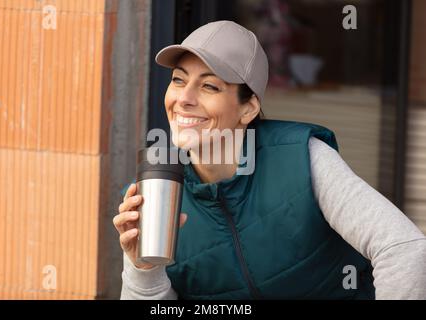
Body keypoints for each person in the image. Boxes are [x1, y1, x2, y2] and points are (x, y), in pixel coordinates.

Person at [113, 20, 426, 300]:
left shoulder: (302, 158)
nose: (184, 98)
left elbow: (405, 251)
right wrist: (143, 269)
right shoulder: (156, 192)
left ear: (248, 109)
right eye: (179, 80)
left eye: (209, 86)